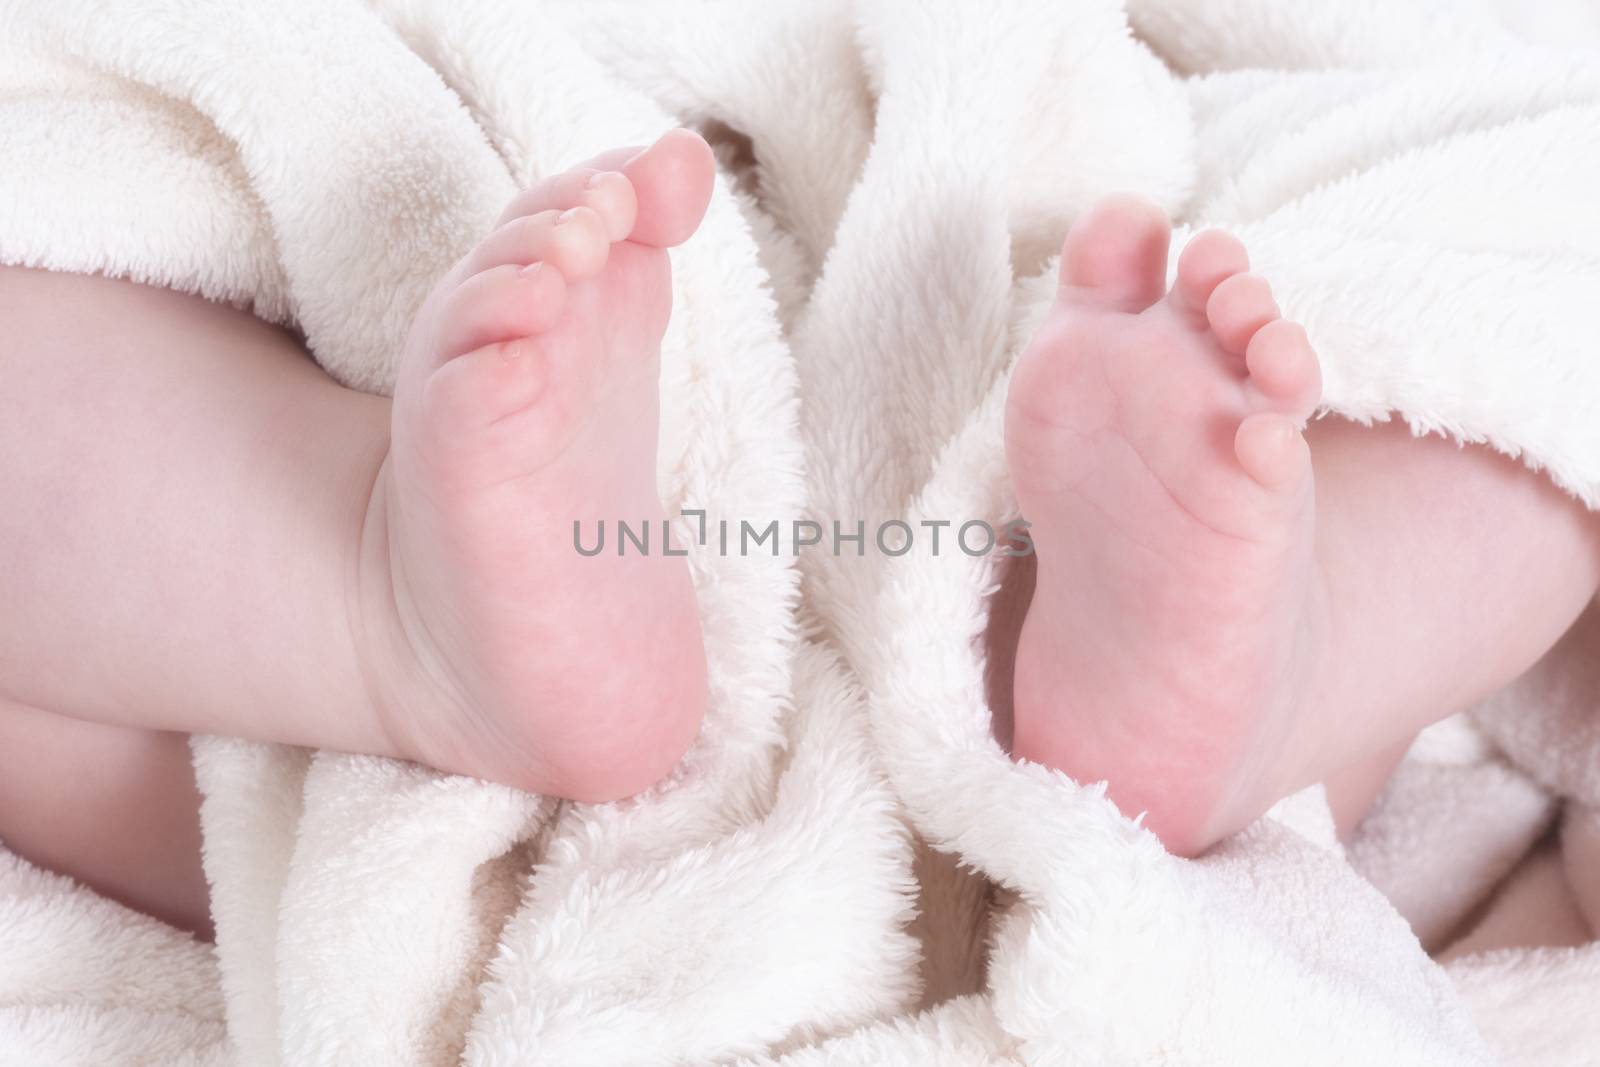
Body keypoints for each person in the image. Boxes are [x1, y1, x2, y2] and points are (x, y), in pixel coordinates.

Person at [1, 132, 1594, 938]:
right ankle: (1289, 679)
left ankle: (365, 594)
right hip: (491, 584)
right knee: (1535, 324)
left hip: (406, 692)